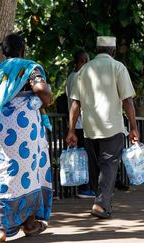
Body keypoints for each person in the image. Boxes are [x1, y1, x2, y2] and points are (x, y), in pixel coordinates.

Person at [0, 33, 53, 243]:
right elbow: (40, 89)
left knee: (0, 174)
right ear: (23, 50)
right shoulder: (30, 67)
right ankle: (29, 223)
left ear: (3, 51)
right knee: (29, 172)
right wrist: (48, 99)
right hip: (25, 130)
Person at [66, 36, 139, 219]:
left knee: (97, 166)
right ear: (113, 51)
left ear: (96, 50)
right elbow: (127, 101)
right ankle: (101, 204)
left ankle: (102, 200)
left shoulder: (84, 70)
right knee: (108, 166)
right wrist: (133, 127)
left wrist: (71, 130)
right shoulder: (118, 67)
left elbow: (75, 104)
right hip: (112, 127)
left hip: (90, 128)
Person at [65, 49, 95, 198]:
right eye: (84, 60)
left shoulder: (73, 77)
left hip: (78, 124)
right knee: (85, 157)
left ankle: (86, 187)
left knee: (84, 156)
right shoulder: (78, 77)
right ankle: (85, 188)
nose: (87, 64)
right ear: (77, 63)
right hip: (79, 124)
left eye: (88, 60)